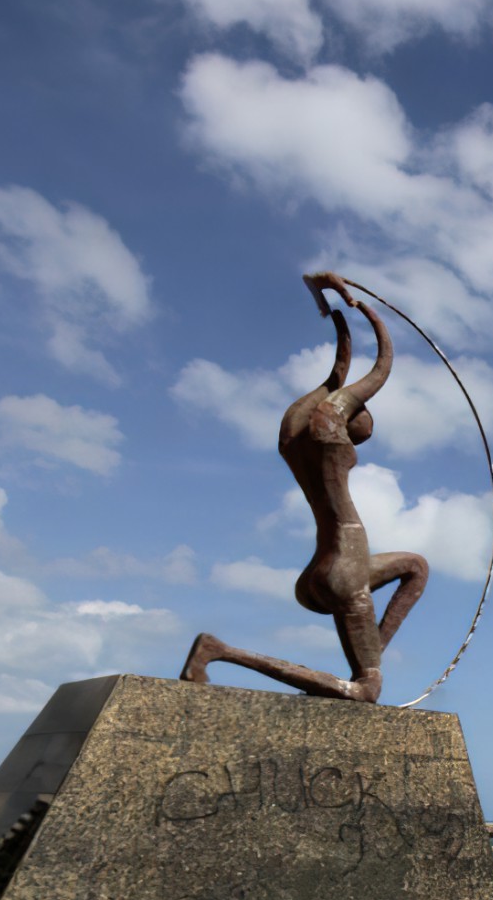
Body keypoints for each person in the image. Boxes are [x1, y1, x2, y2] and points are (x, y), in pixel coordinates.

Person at [180, 273, 429, 702]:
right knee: (365, 692)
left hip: (324, 567)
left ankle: (369, 657)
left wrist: (339, 326)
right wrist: (367, 311)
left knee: (416, 567)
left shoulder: (294, 443)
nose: (364, 422)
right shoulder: (332, 442)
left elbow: (333, 383)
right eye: (361, 420)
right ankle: (218, 652)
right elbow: (380, 369)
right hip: (345, 571)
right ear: (343, 423)